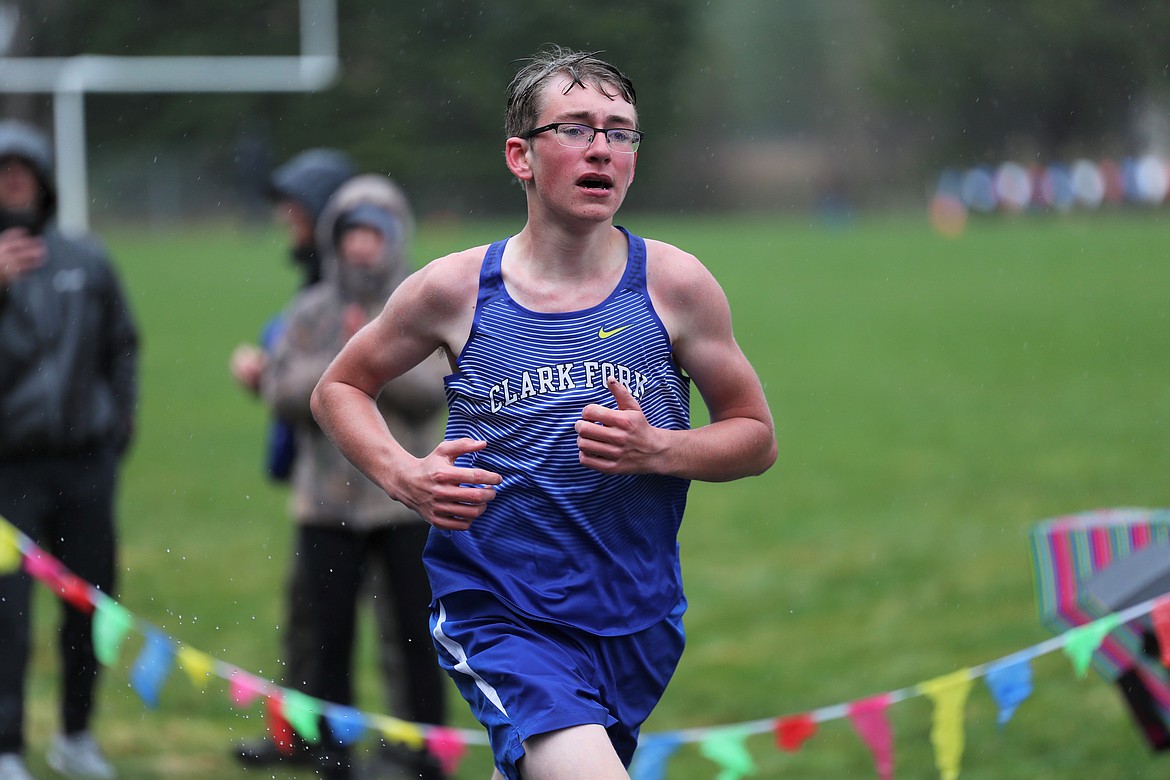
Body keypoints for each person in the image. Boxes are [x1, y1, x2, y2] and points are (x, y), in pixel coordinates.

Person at [311, 46, 777, 780]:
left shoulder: (677, 284)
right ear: (520, 156)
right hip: (501, 611)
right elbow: (338, 387)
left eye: (620, 132)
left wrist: (657, 449)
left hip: (637, 617)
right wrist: (404, 476)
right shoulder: (456, 289)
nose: (602, 149)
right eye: (577, 128)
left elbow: (755, 438)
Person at [261, 174, 449, 780]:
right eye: (351, 235)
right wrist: (338, 360)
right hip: (325, 505)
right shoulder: (312, 309)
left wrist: (367, 356)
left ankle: (425, 754)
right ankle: (331, 753)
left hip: (405, 503)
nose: (362, 248)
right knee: (328, 636)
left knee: (419, 638)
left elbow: (431, 394)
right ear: (333, 241)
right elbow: (282, 387)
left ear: (395, 238)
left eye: (374, 234)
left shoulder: (422, 307)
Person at [0, 120, 139, 780]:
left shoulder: (87, 259)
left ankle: (76, 734)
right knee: (7, 615)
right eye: (2, 174)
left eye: (22, 171)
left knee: (89, 603)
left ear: (45, 181)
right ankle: (5, 746)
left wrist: (117, 430)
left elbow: (122, 346)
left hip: (86, 465)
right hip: (8, 471)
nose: (13, 183)